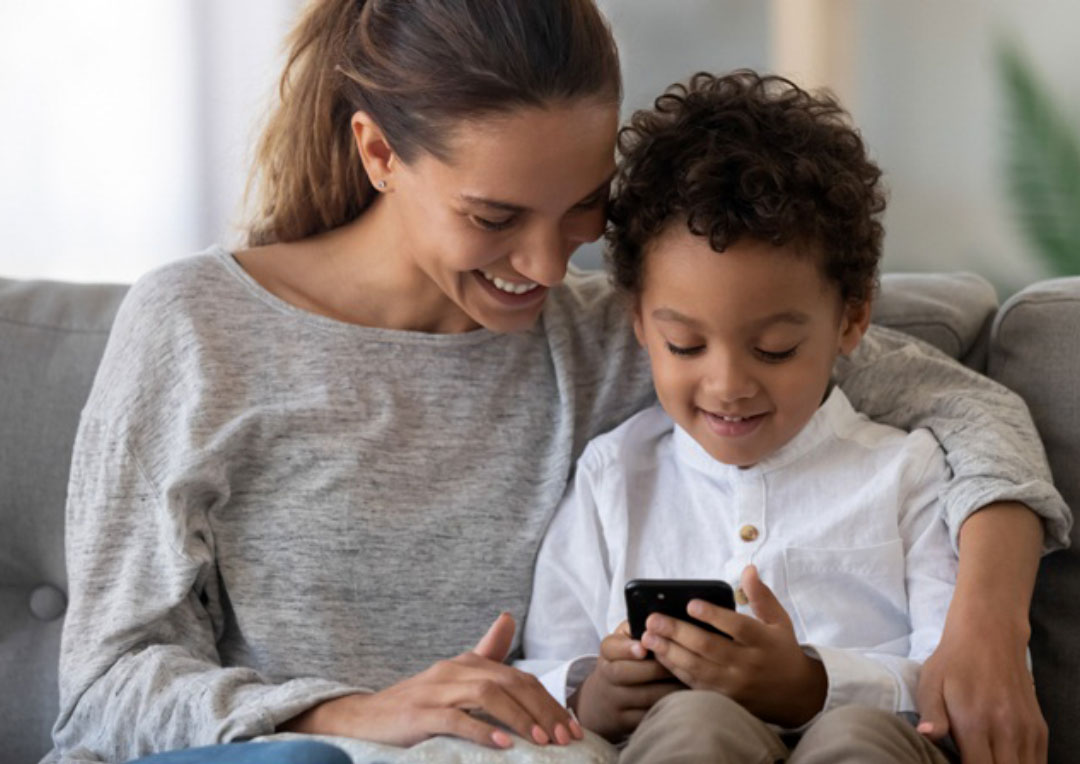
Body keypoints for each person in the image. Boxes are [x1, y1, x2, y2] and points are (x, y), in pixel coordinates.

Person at [45, 0, 1066, 762]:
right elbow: (104, 689)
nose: (542, 265)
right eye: (494, 217)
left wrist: (983, 622)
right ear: (377, 152)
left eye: (582, 209)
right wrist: (347, 708)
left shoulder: (624, 338)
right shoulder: (196, 327)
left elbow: (962, 404)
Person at [520, 70, 967, 762]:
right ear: (638, 322)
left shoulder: (908, 472)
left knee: (855, 734)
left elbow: (957, 675)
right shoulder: (615, 476)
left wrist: (814, 686)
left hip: (870, 742)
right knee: (696, 723)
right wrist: (592, 697)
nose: (727, 385)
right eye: (685, 345)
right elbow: (546, 667)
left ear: (852, 320)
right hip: (678, 743)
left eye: (774, 349)